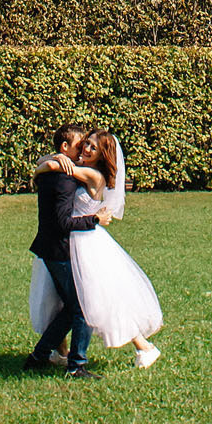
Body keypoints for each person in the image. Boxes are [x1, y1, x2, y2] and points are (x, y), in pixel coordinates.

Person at [30, 129, 164, 368]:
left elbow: (51, 168)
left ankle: (142, 347)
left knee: (99, 299)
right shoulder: (81, 166)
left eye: (92, 146)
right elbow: (51, 166)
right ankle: (58, 353)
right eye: (85, 144)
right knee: (68, 299)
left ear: (102, 154)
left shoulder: (93, 174)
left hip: (85, 242)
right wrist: (51, 159)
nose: (86, 149)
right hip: (70, 238)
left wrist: (47, 163)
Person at [23, 122, 105, 376]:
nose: (82, 150)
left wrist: (50, 161)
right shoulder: (62, 179)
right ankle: (76, 365)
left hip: (51, 248)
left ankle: (39, 355)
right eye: (79, 145)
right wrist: (95, 220)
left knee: (72, 308)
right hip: (59, 250)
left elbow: (43, 165)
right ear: (65, 147)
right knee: (82, 306)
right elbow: (62, 222)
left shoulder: (54, 172)